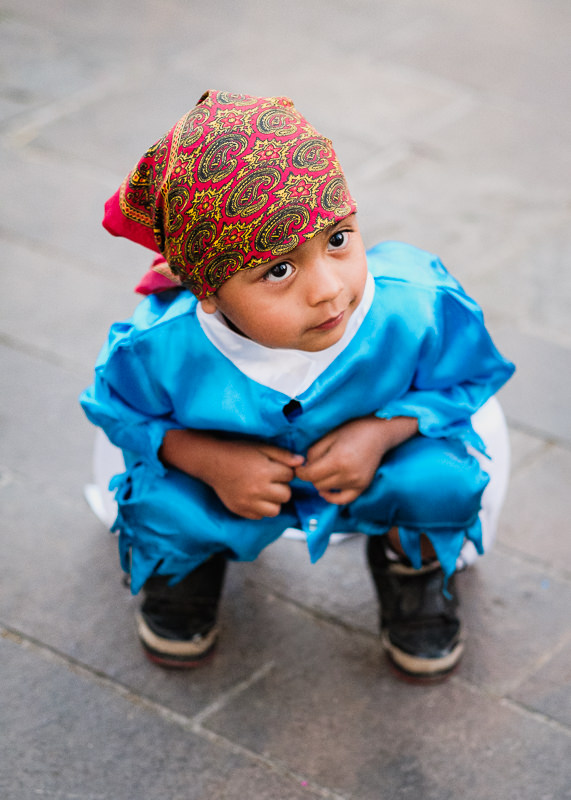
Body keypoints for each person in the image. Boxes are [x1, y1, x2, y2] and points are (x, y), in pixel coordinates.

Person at [80, 89, 514, 681]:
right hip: (231, 489)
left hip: (371, 475)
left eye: (338, 239)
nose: (329, 289)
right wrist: (205, 459)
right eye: (278, 269)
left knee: (443, 475)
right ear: (207, 292)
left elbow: (465, 379)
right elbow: (119, 412)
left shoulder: (417, 309)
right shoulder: (162, 347)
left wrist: (383, 433)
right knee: (159, 494)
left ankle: (411, 567)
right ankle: (184, 573)